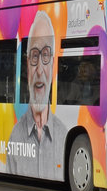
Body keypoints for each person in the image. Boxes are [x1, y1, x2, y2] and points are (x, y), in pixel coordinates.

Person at [7, 11, 65, 178]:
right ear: (27, 65)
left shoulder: (63, 135)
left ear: (53, 64)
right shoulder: (15, 135)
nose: (39, 69)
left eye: (45, 55)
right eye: (34, 56)